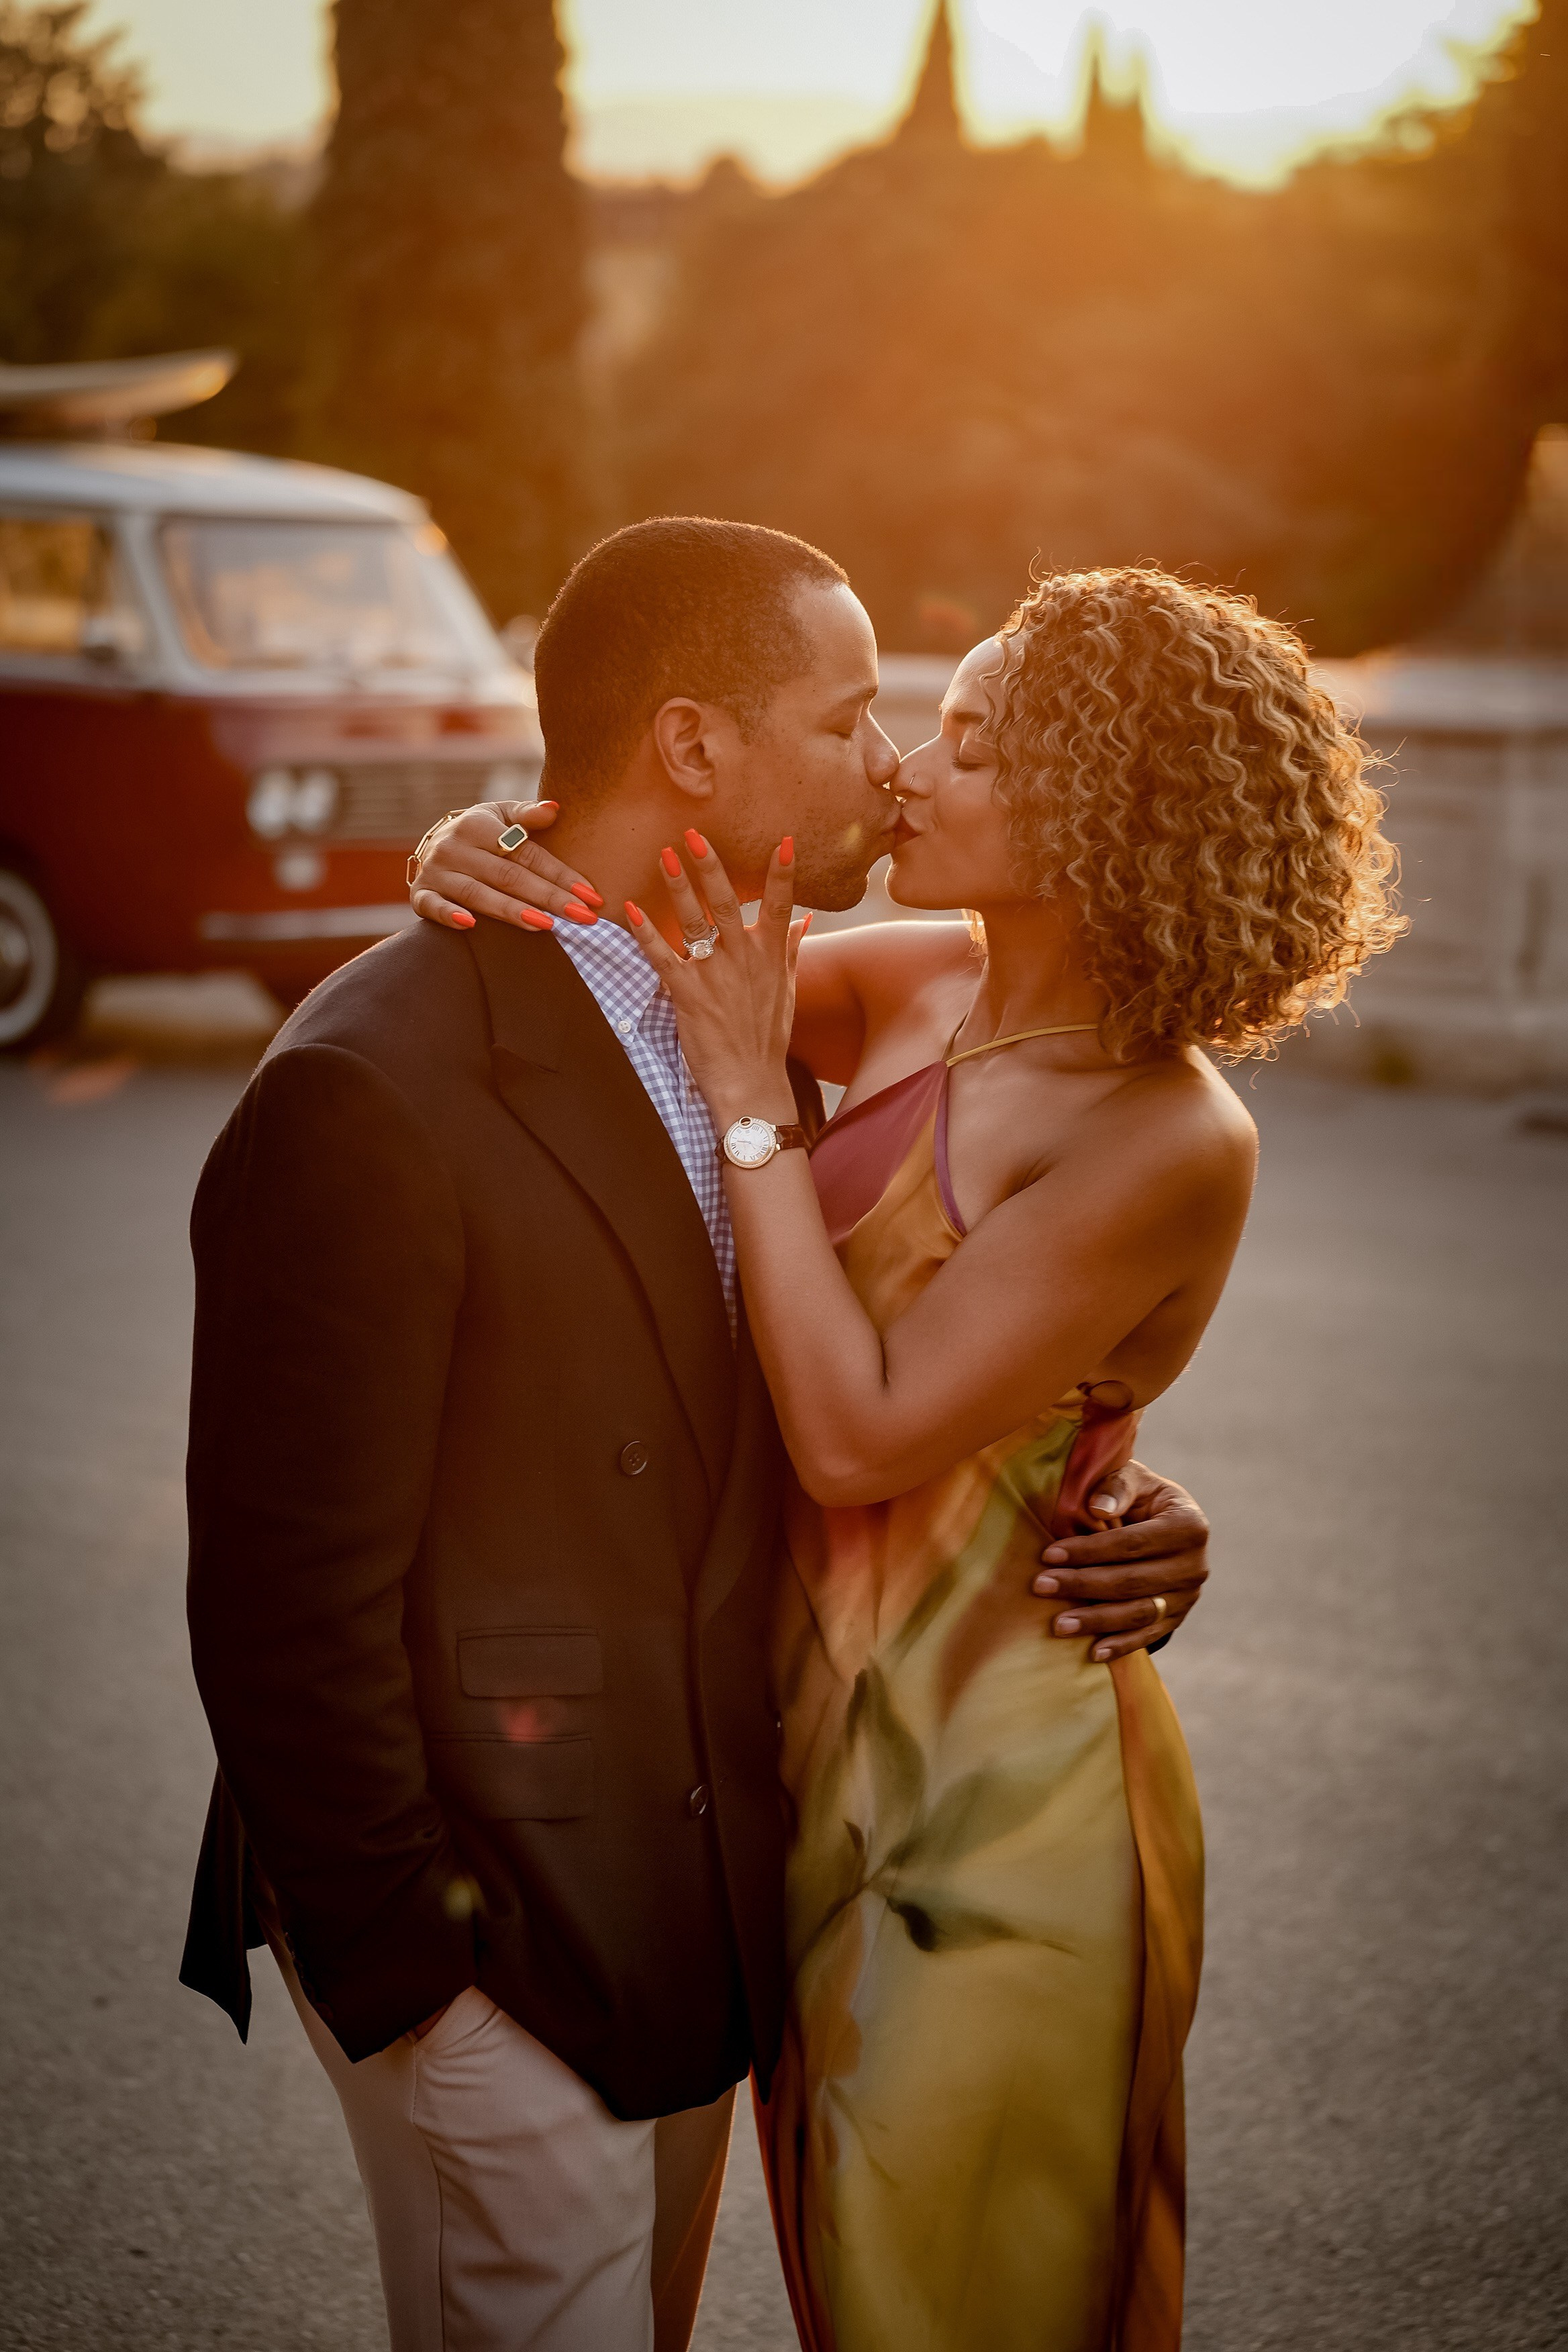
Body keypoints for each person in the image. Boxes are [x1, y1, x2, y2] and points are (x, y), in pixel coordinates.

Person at [181, 520, 1212, 2352]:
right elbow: (280, 1587)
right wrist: (414, 1975)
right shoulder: (379, 1083)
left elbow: (873, 1366)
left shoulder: (774, 1003)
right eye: (853, 716)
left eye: (934, 730)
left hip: (727, 1882)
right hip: (499, 1935)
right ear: (693, 746)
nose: (890, 763)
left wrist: (1104, 1479)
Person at [411, 560, 1402, 2350]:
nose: (907, 774)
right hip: (799, 1770)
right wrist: (472, 839)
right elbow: (625, 930)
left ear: (1103, 812)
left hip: (995, 1807)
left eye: (969, 745)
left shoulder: (1168, 1134)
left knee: (948, 2307)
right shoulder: (917, 985)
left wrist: (749, 1104)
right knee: (841, 2283)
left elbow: (858, 1439)